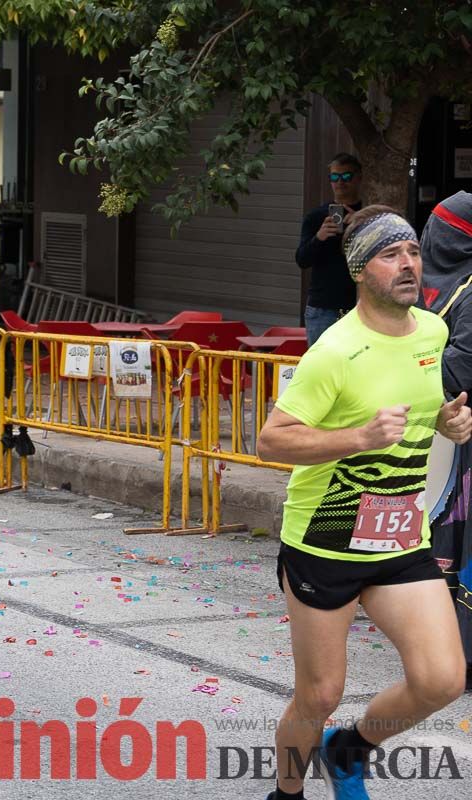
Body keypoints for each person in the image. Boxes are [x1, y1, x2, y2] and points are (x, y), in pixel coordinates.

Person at [256, 206, 471, 800]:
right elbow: (272, 439)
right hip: (326, 538)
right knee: (319, 694)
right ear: (358, 270)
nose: (407, 264)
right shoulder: (335, 352)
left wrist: (448, 423)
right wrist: (358, 438)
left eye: (412, 252)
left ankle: (348, 751)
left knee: (442, 678)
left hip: (400, 535)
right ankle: (288, 794)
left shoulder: (432, 330)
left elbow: (421, 411)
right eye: (389, 255)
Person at [419, 189, 472, 693]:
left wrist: (404, 372)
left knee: (459, 543)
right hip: (433, 439)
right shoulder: (418, 285)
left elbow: (463, 364)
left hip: (463, 438)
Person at [296, 153, 364, 345]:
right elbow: (302, 259)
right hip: (323, 307)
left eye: (346, 176)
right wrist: (319, 237)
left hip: (360, 306)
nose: (340, 182)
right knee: (322, 369)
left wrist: (362, 224)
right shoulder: (316, 217)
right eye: (335, 177)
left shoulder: (369, 214)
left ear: (359, 177)